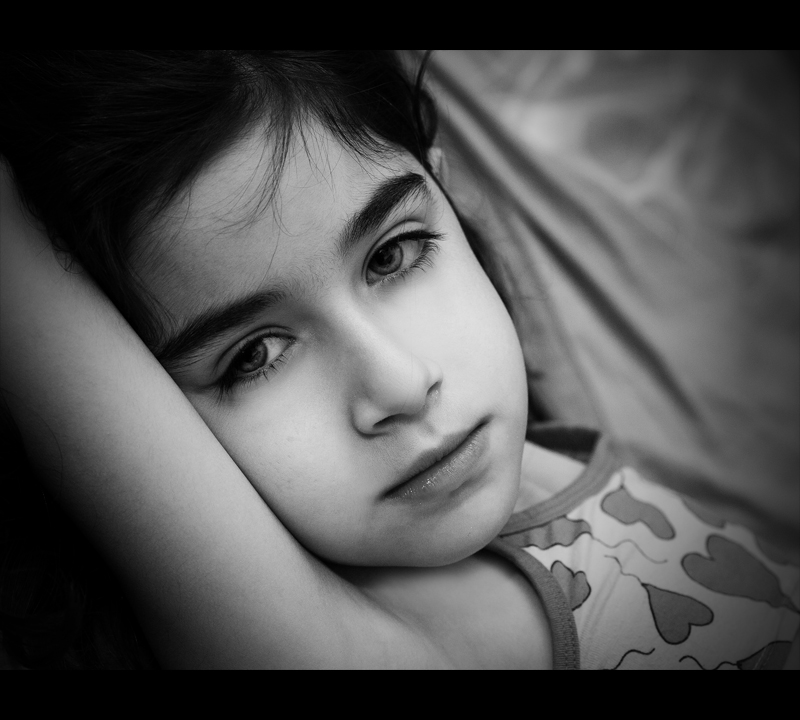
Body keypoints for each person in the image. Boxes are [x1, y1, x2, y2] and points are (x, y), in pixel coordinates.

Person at [1, 50, 797, 670]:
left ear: (449, 197)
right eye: (255, 356)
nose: (403, 384)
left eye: (392, 255)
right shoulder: (359, 646)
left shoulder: (541, 457)